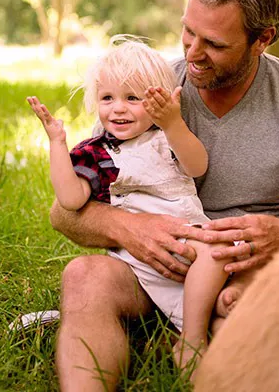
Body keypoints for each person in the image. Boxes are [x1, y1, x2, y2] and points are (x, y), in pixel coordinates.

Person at [48, 0, 279, 392]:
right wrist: (130, 229)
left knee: (249, 331)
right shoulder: (144, 89)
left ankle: (192, 340)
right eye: (188, 32)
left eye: (214, 43)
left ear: (263, 38)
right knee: (84, 277)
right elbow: (65, 211)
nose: (193, 52)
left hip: (244, 275)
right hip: (151, 272)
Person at [27, 37, 229, 372]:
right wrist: (58, 144)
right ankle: (192, 339)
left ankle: (188, 336)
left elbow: (197, 166)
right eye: (108, 98)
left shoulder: (167, 138)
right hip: (137, 259)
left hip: (189, 242)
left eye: (132, 98)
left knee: (219, 251)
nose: (118, 108)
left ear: (159, 102)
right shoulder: (97, 152)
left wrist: (173, 123)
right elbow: (71, 199)